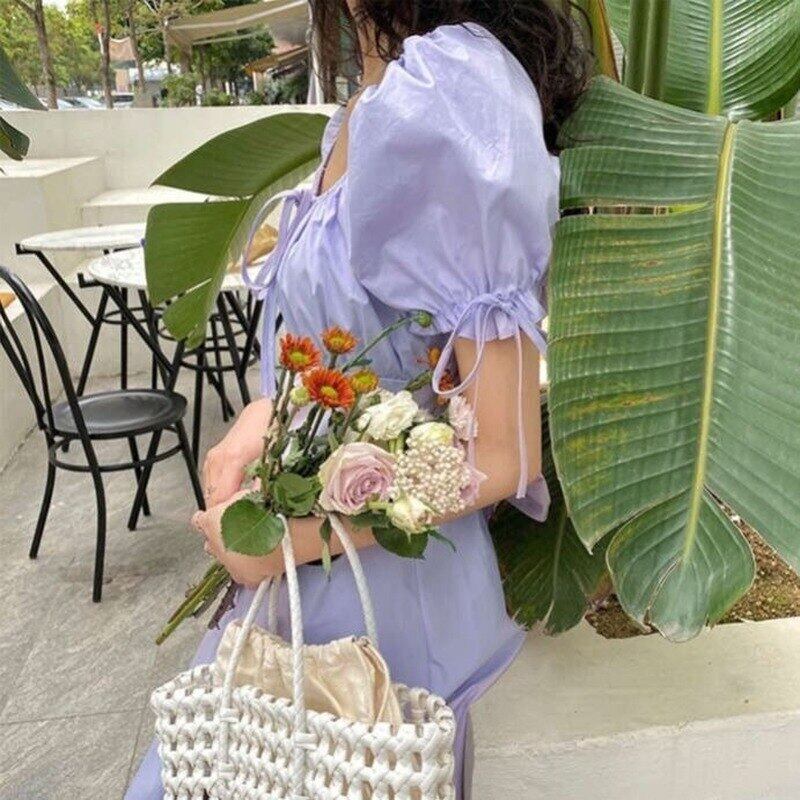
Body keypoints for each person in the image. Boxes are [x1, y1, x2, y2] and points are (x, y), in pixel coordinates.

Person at [126, 2, 585, 797]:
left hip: (389, 624)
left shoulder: (453, 88)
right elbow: (347, 352)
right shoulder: (364, 109)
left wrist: (289, 540)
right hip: (302, 598)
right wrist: (261, 420)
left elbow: (504, 453)